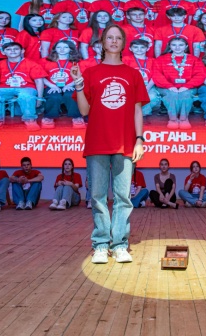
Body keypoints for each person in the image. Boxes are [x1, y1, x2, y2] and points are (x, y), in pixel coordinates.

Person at [70, 24, 149, 264]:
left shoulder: (133, 74)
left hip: (125, 143)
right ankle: (101, 245)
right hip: (97, 142)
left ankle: (120, 244)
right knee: (97, 196)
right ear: (103, 43)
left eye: (118, 38)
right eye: (109, 37)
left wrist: (139, 140)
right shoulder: (91, 73)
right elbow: (84, 110)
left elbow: (137, 111)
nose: (114, 41)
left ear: (123, 44)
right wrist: (78, 84)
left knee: (123, 197)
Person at [0, 42, 45, 131]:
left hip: (26, 88)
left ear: (22, 51)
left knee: (26, 96)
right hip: (4, 89)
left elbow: (39, 81)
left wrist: (39, 98)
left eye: (16, 49)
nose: (12, 51)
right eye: (8, 49)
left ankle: (30, 120)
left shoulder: (32, 64)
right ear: (3, 52)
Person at [152, 37, 206, 129]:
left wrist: (187, 86)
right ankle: (173, 119)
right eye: (174, 45)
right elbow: (156, 75)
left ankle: (184, 119)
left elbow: (200, 75)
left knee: (185, 94)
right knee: (172, 94)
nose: (177, 48)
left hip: (188, 87)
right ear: (169, 46)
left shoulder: (194, 59)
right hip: (166, 87)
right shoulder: (161, 59)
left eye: (181, 45)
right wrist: (169, 86)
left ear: (186, 46)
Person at [41, 40, 84, 129]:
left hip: (71, 84)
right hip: (51, 85)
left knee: (71, 95)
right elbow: (41, 77)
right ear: (54, 49)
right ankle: (49, 117)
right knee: (54, 96)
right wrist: (52, 86)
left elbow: (80, 76)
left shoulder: (77, 62)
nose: (62, 49)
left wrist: (70, 85)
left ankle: (76, 117)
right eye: (59, 47)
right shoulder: (45, 61)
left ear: (70, 49)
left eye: (65, 47)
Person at [122, 39, 161, 118]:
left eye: (142, 47)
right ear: (130, 49)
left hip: (148, 86)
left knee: (152, 97)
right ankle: (139, 114)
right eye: (135, 47)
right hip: (130, 86)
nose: (139, 49)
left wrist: (147, 88)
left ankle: (140, 114)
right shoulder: (125, 59)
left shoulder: (153, 61)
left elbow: (155, 76)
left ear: (148, 48)